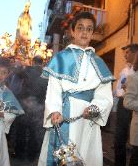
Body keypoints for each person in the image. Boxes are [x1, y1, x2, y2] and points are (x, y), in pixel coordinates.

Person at [38, 11, 114, 166]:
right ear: (72, 31)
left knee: (86, 154)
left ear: (92, 33)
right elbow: (54, 88)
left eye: (89, 29)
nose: (84, 32)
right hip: (64, 116)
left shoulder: (99, 62)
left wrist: (95, 108)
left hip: (88, 118)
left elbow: (104, 94)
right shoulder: (61, 58)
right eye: (80, 28)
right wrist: (54, 110)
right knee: (62, 156)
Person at [13, 56, 48, 161]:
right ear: (42, 63)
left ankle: (19, 154)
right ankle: (32, 156)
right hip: (39, 105)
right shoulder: (46, 73)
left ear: (33, 62)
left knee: (21, 131)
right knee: (34, 132)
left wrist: (19, 64)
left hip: (24, 104)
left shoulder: (27, 69)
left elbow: (16, 72)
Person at [114, 43, 138, 166]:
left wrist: (130, 89)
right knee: (119, 138)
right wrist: (122, 92)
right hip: (123, 104)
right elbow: (117, 89)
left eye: (127, 52)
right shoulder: (124, 70)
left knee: (137, 139)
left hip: (137, 105)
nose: (125, 55)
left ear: (136, 53)